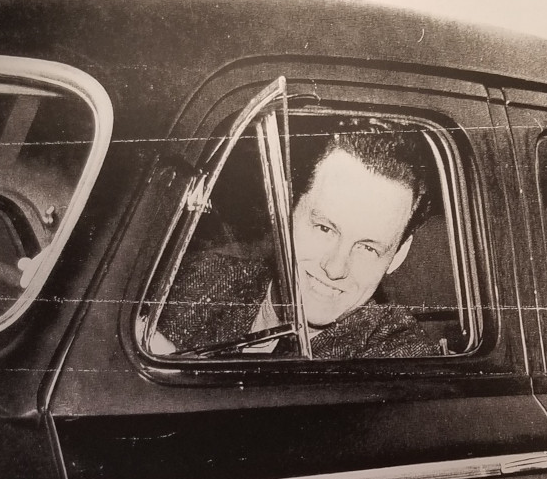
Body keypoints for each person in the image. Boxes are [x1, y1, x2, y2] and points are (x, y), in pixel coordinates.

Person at [156, 125, 439, 358]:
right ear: (284, 214)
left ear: (399, 254)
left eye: (368, 247)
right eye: (324, 228)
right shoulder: (201, 278)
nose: (336, 267)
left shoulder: (401, 355)